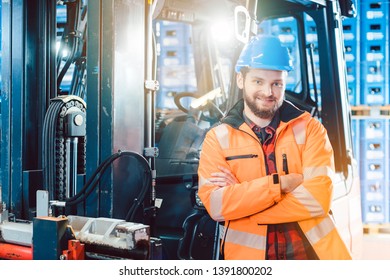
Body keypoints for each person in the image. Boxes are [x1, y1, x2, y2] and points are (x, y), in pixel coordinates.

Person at [197, 35, 352, 260]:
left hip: (311, 258)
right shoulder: (217, 138)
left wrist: (245, 204)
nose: (268, 92)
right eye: (258, 81)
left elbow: (318, 199)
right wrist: (283, 184)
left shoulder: (310, 129)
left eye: (276, 83)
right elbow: (217, 205)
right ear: (241, 80)